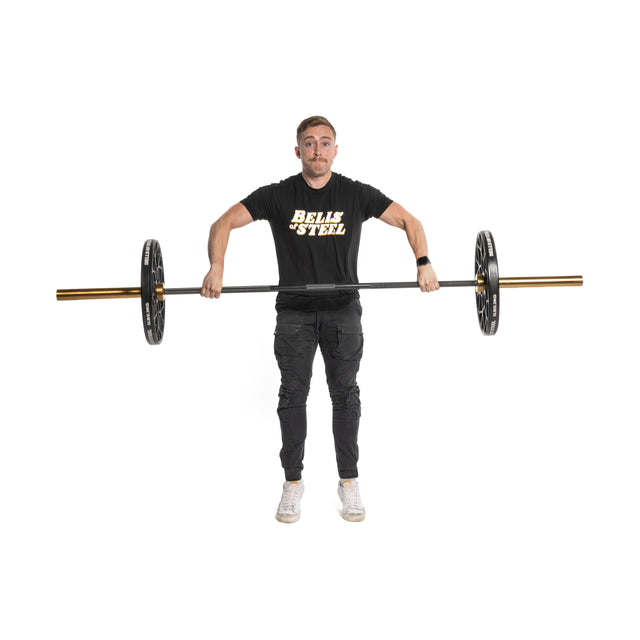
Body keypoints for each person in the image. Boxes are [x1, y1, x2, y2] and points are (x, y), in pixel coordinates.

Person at [201, 116, 439, 523]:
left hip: (343, 310)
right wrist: (217, 268)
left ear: (335, 150)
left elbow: (409, 221)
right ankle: (292, 483)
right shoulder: (277, 196)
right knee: (292, 395)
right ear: (298, 151)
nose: (317, 150)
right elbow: (222, 223)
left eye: (325, 143)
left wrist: (423, 262)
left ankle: (349, 481)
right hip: (294, 310)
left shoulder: (354, 194)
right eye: (309, 143)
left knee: (345, 395)